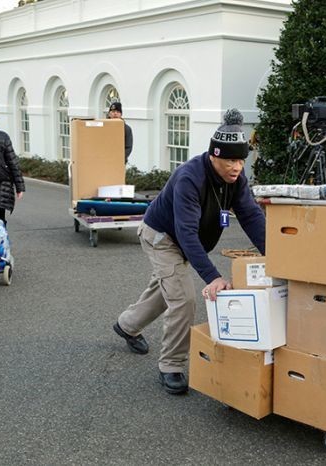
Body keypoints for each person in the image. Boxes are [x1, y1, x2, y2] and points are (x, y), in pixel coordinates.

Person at [113, 109, 266, 395]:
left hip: (187, 241)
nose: (237, 167)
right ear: (214, 155)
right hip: (162, 237)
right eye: (231, 160)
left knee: (167, 290)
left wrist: (278, 256)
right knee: (183, 298)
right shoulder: (189, 177)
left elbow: (252, 218)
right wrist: (213, 277)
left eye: (242, 160)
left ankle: (126, 325)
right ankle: (171, 364)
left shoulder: (237, 180)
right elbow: (185, 233)